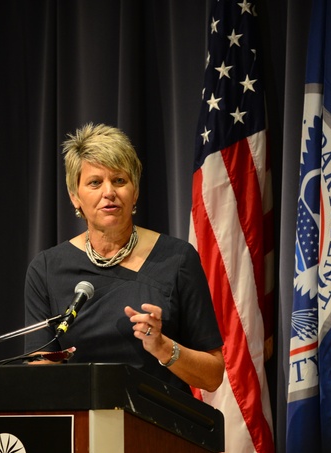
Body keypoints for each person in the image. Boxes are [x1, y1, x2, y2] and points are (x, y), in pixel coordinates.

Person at [23, 122, 225, 393]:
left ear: (135, 191)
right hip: (85, 425)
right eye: (95, 182)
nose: (109, 192)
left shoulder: (177, 259)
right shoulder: (47, 269)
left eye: (119, 180)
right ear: (75, 197)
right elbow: (39, 374)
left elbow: (212, 376)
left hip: (160, 425)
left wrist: (163, 347)